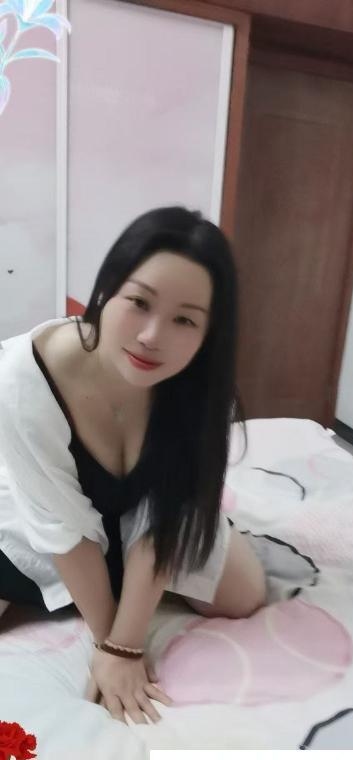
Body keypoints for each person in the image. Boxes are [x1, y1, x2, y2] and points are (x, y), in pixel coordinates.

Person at [0, 206, 267, 725]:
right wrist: (111, 646)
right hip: (47, 515)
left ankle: (125, 579)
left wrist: (127, 642)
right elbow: (61, 527)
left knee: (244, 595)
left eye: (184, 320)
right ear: (107, 290)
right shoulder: (22, 379)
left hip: (145, 517)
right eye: (139, 303)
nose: (151, 336)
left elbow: (161, 515)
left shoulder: (197, 389)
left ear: (209, 332)